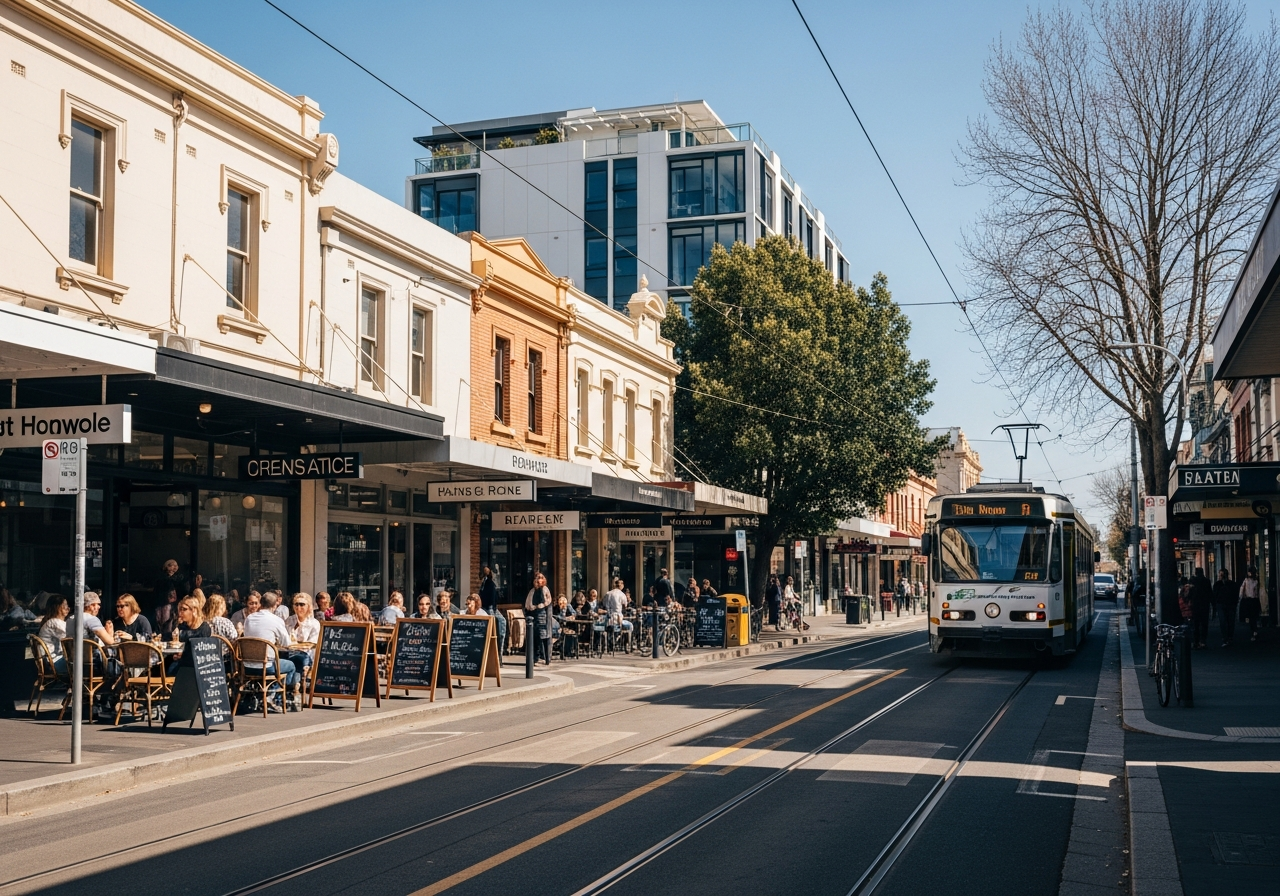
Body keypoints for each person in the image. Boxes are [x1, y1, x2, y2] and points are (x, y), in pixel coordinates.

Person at [241, 591, 299, 709]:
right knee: (292, 665)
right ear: (275, 606)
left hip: (247, 665)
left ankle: (260, 695)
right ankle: (273, 695)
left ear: (261, 604)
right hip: (266, 665)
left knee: (277, 662)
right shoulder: (276, 620)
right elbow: (286, 643)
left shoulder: (249, 618)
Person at [167, 595, 212, 676]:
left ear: (194, 610)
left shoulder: (204, 628)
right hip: (181, 663)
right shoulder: (182, 627)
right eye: (180, 609)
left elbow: (200, 651)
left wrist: (183, 654)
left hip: (199, 668)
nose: (180, 613)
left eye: (184, 609)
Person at [525, 572, 553, 664]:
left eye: (540, 578)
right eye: (537, 578)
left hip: (542, 614)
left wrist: (543, 605)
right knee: (535, 637)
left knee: (544, 636)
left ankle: (545, 657)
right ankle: (535, 657)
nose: (538, 580)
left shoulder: (545, 589)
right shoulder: (532, 591)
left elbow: (549, 600)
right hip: (534, 614)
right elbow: (528, 602)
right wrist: (531, 607)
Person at [38, 595, 70, 675]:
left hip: (51, 661)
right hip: (55, 663)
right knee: (86, 665)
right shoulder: (55, 623)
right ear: (58, 608)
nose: (68, 608)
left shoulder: (51, 622)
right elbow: (71, 638)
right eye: (65, 605)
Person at [1213, 569, 1237, 647]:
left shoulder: (1218, 584)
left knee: (1226, 621)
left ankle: (1227, 638)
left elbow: (1215, 595)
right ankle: (1227, 637)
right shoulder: (1231, 584)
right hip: (1225, 604)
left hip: (1226, 604)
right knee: (1227, 621)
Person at [1189, 567, 1213, 649]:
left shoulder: (1192, 581)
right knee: (1204, 624)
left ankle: (1196, 641)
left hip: (1195, 604)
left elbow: (1189, 593)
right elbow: (1210, 593)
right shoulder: (1207, 581)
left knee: (1195, 624)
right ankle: (1203, 641)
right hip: (1204, 604)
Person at [1240, 567, 1262, 641]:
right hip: (1253, 600)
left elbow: (1242, 589)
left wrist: (1241, 597)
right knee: (1253, 617)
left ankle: (1254, 631)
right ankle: (1254, 631)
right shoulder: (1254, 581)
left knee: (1252, 617)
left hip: (1251, 600)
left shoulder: (1250, 581)